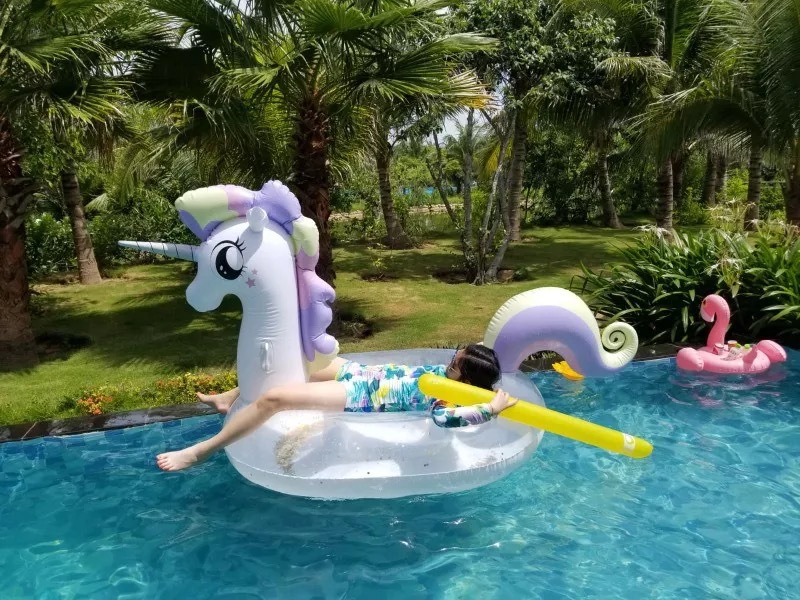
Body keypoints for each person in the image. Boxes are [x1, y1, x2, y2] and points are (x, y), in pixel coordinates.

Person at [157, 344, 517, 472]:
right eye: (456, 355)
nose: (451, 362)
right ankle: (228, 397)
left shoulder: (450, 397)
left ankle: (200, 451)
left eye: (456, 364)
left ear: (466, 380)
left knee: (274, 399)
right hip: (360, 372)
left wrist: (489, 410)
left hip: (359, 393)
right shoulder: (456, 378)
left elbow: (443, 420)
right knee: (290, 358)